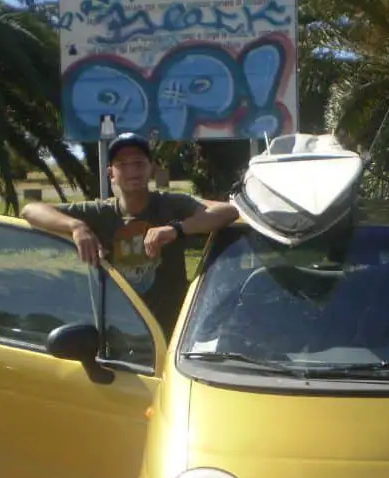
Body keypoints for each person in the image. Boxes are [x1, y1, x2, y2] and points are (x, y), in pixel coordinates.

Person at [20, 132, 238, 337]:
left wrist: (176, 229)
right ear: (111, 174)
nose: (131, 171)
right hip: (116, 333)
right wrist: (76, 227)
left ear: (151, 168)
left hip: (171, 333)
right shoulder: (99, 212)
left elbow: (227, 211)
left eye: (138, 163)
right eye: (122, 165)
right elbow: (30, 210)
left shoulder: (171, 204)